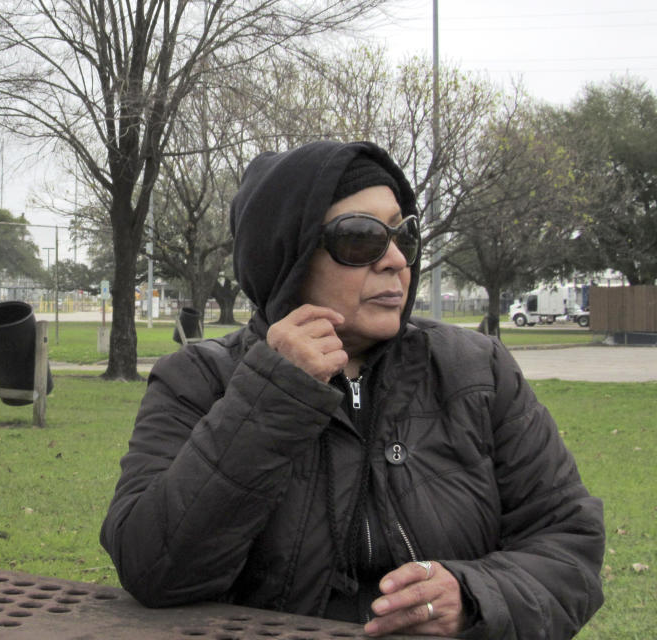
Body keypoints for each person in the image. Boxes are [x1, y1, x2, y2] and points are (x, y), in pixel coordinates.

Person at [100, 140, 605, 638]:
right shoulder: (197, 381)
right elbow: (153, 568)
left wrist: (475, 596)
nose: (395, 262)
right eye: (362, 238)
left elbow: (568, 543)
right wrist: (271, 397)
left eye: (403, 237)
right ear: (287, 258)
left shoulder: (476, 370)